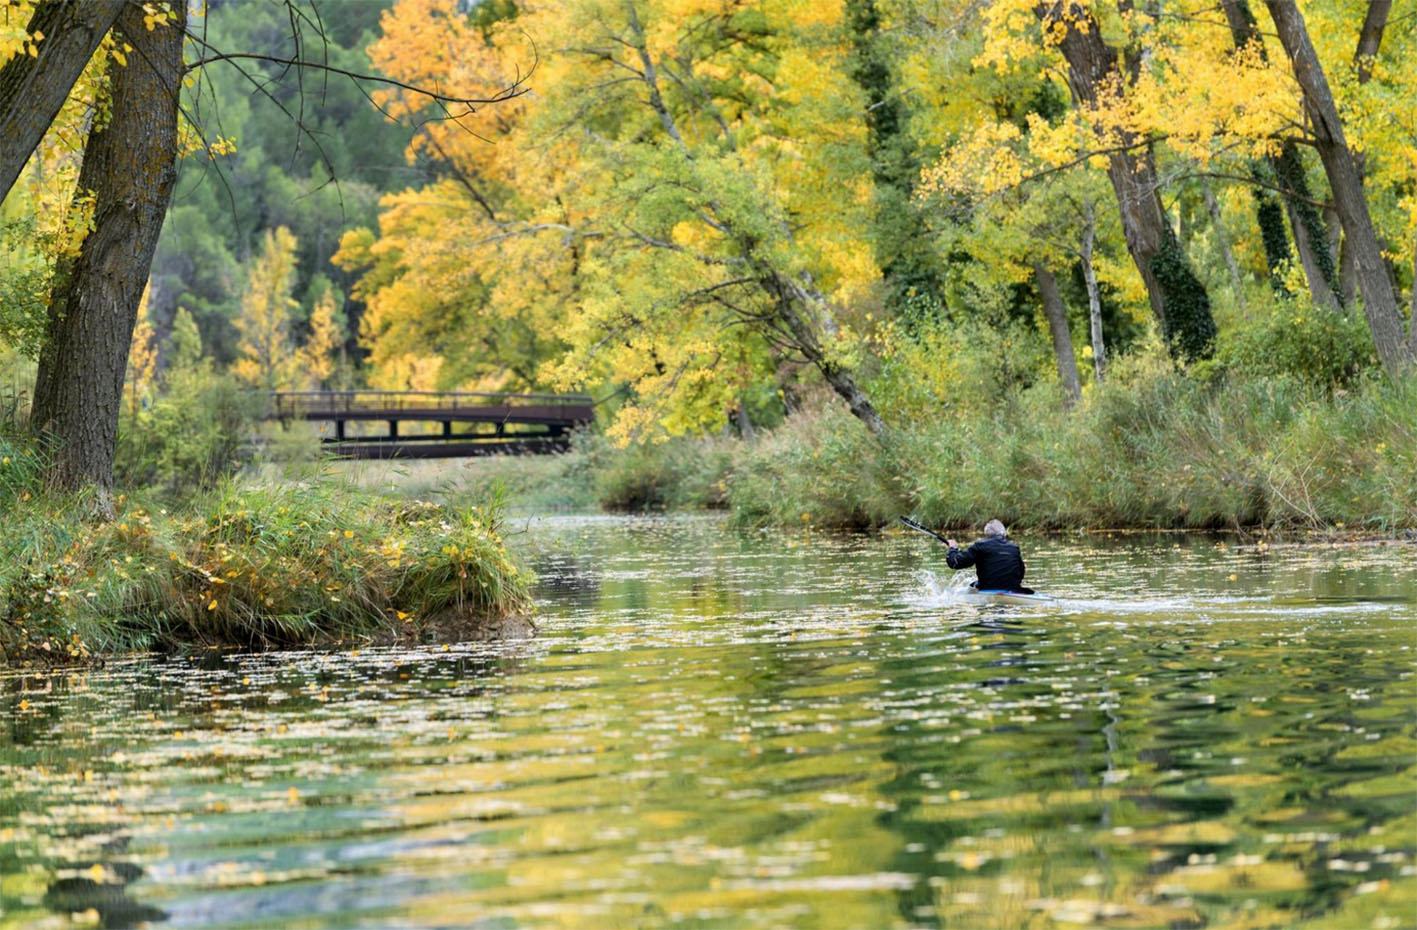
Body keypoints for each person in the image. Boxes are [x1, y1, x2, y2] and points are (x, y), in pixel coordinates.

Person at [945, 519, 1030, 592]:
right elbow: (1021, 572)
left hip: (987, 588)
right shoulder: (1014, 548)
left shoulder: (979, 546)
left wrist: (953, 549)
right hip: (1012, 589)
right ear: (1004, 533)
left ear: (986, 533)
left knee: (973, 585)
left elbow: (955, 562)